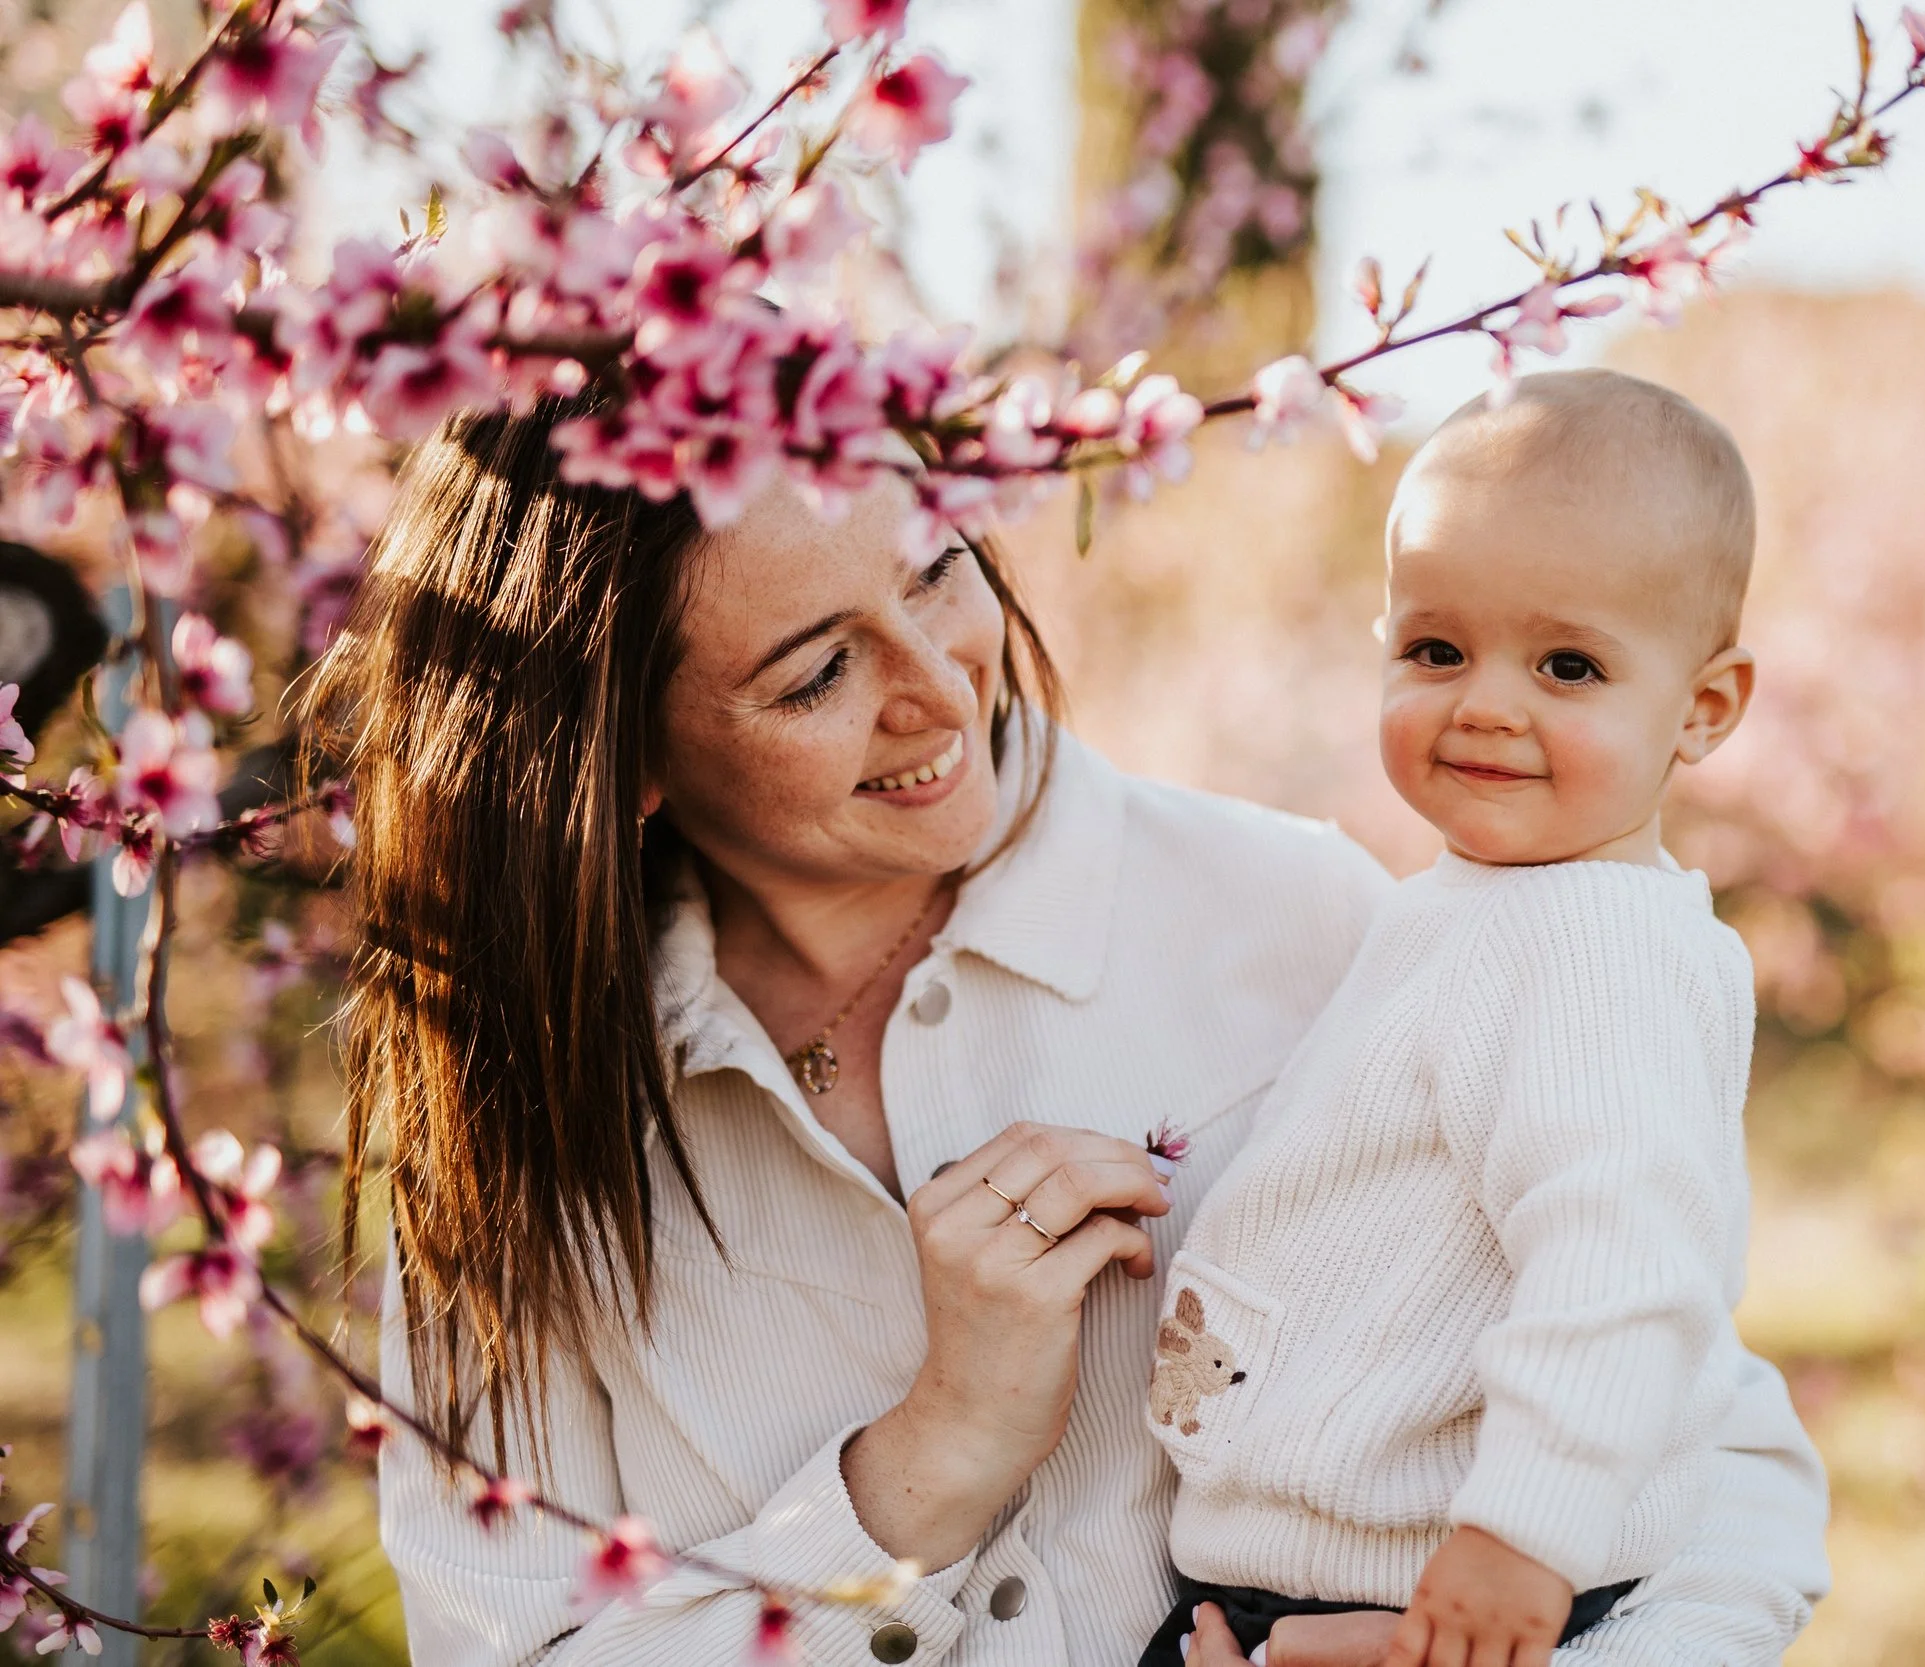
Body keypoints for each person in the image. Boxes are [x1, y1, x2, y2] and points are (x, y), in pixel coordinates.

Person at [322, 388, 1828, 1667]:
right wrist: (917, 1473)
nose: (937, 687)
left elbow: (1709, 1449)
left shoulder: (1298, 916)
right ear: (620, 758)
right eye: (819, 672)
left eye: (935, 571)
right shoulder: (509, 1137)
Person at [1142, 369, 1812, 1667]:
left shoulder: (1588, 947)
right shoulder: (1489, 908)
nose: (1487, 702)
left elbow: (1625, 1260)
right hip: (1339, 1583)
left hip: (1446, 1591)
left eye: (1569, 664)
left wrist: (1526, 1529)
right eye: (1437, 650)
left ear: (1706, 707)